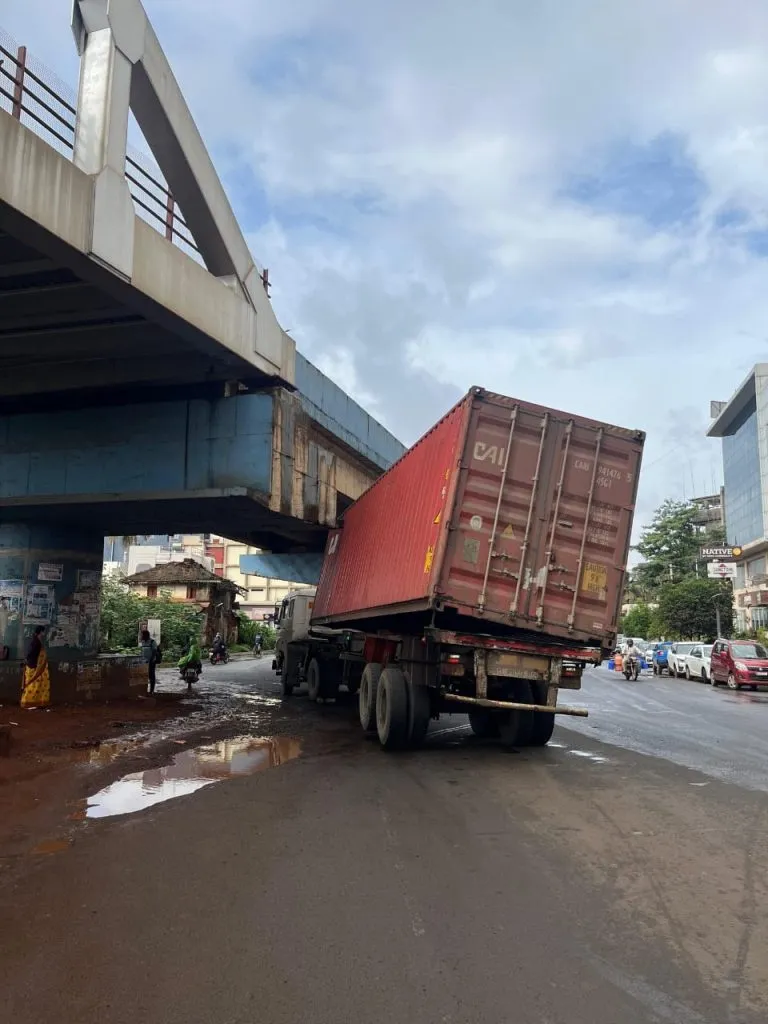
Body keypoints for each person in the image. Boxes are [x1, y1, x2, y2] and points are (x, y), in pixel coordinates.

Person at [22, 625, 50, 708]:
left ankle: (36, 702)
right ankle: (28, 702)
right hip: (33, 665)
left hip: (35, 665)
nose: (44, 633)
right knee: (31, 685)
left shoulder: (37, 640)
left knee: (37, 685)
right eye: (43, 631)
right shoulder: (36, 642)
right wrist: (28, 661)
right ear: (41, 632)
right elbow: (30, 653)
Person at [140, 629, 159, 694]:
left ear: (145, 635)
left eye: (142, 635)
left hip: (151, 661)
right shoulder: (143, 642)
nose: (141, 636)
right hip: (144, 662)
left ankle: (151, 690)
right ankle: (144, 690)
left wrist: (152, 659)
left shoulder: (152, 642)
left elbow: (154, 651)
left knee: (151, 676)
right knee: (144, 675)